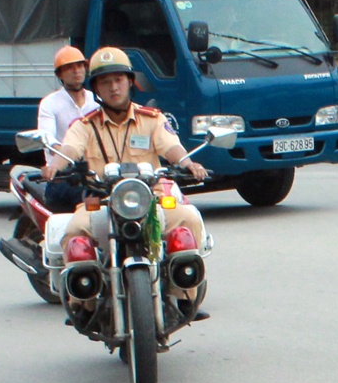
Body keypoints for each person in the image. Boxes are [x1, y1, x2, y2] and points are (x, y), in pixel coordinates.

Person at [43, 47, 210, 262]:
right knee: (74, 232)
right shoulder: (85, 126)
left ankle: (185, 289)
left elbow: (171, 147)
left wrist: (189, 163)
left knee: (190, 219)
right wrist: (55, 166)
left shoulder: (152, 120)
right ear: (95, 88)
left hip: (150, 199)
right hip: (101, 201)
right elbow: (69, 150)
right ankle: (81, 294)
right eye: (105, 82)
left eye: (118, 79)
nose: (113, 88)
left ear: (130, 81)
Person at [32, 46, 96, 214]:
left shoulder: (96, 101)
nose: (76, 71)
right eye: (69, 67)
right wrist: (67, 156)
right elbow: (47, 138)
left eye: (80, 66)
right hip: (64, 176)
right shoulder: (50, 103)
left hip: (96, 173)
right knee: (87, 200)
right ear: (59, 74)